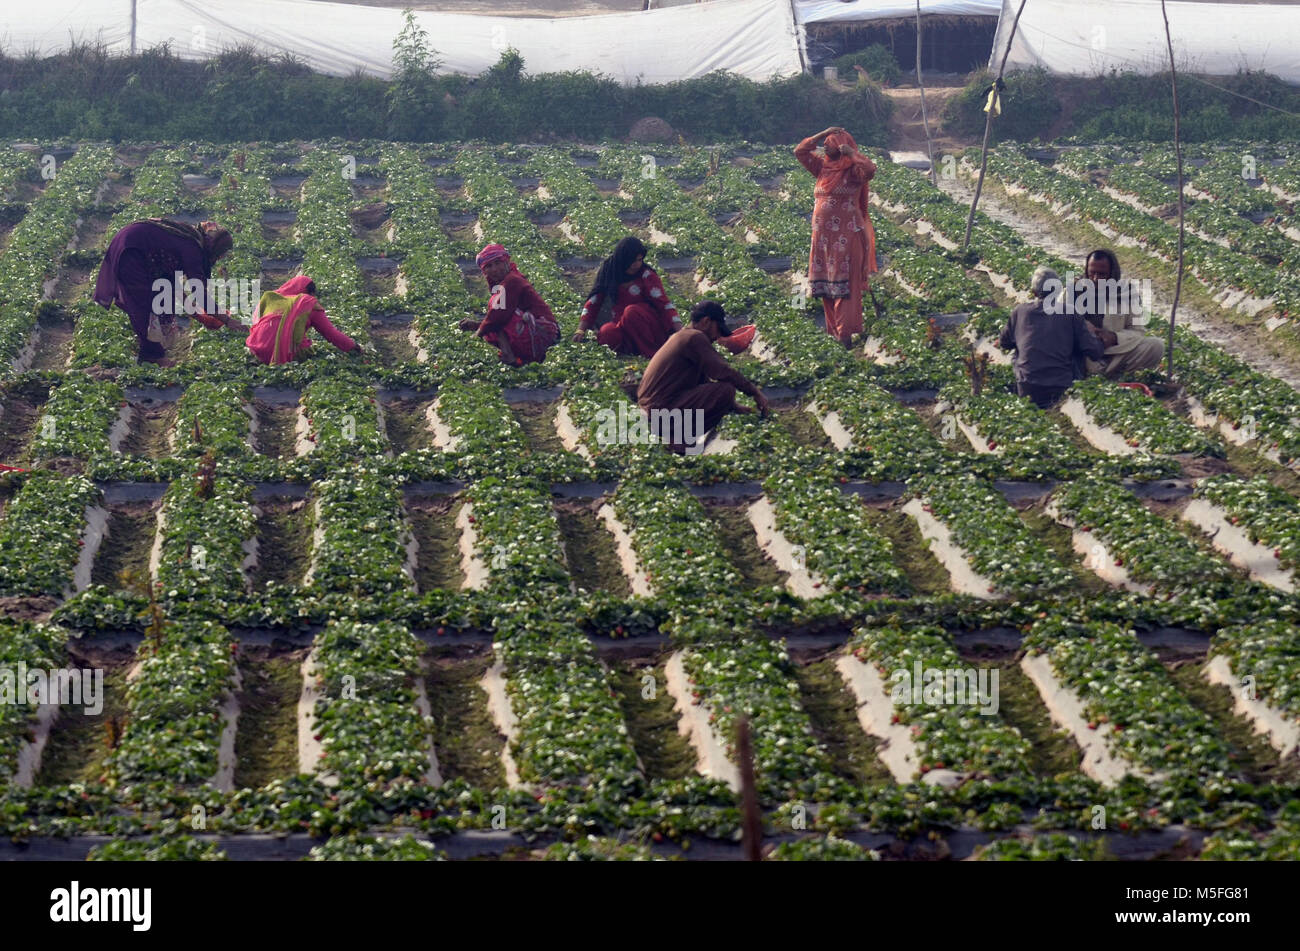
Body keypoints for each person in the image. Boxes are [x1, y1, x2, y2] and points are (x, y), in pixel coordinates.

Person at [93, 218, 233, 366]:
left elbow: (175, 287)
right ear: (213, 247)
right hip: (131, 250)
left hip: (133, 243)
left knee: (160, 295)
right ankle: (152, 355)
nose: (218, 259)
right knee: (144, 303)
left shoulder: (190, 240)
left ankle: (149, 345)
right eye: (220, 254)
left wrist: (199, 315)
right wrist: (228, 320)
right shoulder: (192, 249)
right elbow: (199, 292)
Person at [637, 300, 770, 453]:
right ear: (707, 321)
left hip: (652, 409)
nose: (718, 336)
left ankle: (676, 435)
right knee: (725, 390)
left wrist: (733, 406)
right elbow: (723, 371)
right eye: (718, 329)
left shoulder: (681, 336)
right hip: (660, 411)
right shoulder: (695, 338)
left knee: (721, 392)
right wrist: (755, 392)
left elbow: (702, 382)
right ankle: (679, 438)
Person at [794, 126, 878, 346]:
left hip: (846, 238)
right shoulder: (823, 168)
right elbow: (800, 152)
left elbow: (870, 169)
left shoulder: (853, 172)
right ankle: (833, 332)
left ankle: (844, 334)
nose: (825, 146)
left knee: (844, 287)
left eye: (830, 142)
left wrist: (851, 154)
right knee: (826, 286)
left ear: (842, 146)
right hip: (822, 240)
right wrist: (822, 133)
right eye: (825, 142)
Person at [999, 266, 1105, 409]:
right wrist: (1099, 337)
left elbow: (1004, 343)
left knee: (1017, 352)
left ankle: (1025, 382)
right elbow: (1094, 351)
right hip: (1061, 386)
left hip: (1027, 388)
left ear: (1033, 292)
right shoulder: (1070, 312)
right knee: (1078, 349)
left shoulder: (1020, 311)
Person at [574, 236, 683, 357]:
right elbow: (595, 300)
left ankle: (652, 352)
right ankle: (632, 349)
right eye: (633, 261)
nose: (636, 264)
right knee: (607, 332)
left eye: (640, 260)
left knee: (631, 312)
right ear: (623, 259)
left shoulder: (646, 275)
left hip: (648, 326)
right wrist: (580, 330)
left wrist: (680, 332)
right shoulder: (610, 271)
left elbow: (664, 304)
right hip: (622, 324)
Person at [460, 243, 559, 365]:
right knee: (497, 312)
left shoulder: (512, 280)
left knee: (499, 315)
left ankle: (510, 357)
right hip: (533, 330)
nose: (495, 269)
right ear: (484, 271)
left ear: (506, 262)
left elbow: (498, 316)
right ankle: (511, 354)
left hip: (543, 332)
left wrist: (478, 333)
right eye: (489, 266)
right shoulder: (503, 283)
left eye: (498, 263)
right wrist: (478, 325)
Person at [1074, 249, 1165, 379]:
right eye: (1092, 273)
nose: (1095, 279)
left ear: (1113, 274)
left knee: (1155, 346)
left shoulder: (1127, 294)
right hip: (1084, 355)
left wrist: (1114, 337)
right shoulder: (1073, 292)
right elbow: (1056, 324)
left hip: (1116, 353)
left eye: (1102, 274)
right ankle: (1098, 375)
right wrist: (1082, 326)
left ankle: (1114, 374)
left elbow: (1137, 331)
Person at [245, 275, 364, 364]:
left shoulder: (270, 298)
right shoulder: (307, 303)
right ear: (309, 293)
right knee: (309, 349)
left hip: (257, 351)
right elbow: (331, 333)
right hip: (286, 354)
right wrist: (353, 346)